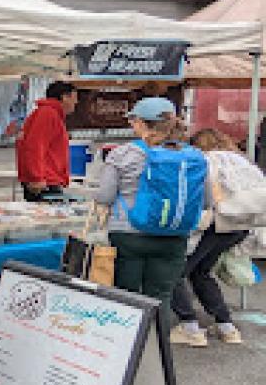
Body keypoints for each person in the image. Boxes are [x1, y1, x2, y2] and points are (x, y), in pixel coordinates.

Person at [94, 98, 200, 313]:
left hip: (128, 234)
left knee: (126, 298)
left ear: (142, 123)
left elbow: (104, 196)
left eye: (133, 121)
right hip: (175, 235)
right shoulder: (192, 156)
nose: (132, 125)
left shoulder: (123, 154)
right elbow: (205, 200)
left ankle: (126, 345)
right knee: (161, 298)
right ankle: (157, 344)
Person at [171, 129, 252, 347]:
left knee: (176, 272)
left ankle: (190, 327)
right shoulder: (240, 160)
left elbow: (202, 196)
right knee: (201, 271)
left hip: (215, 223)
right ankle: (226, 326)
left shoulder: (204, 160)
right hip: (240, 225)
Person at [16, 81, 78, 202]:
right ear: (64, 97)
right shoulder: (48, 114)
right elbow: (34, 146)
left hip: (47, 180)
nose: (76, 102)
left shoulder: (50, 114)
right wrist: (36, 178)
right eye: (74, 98)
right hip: (45, 182)